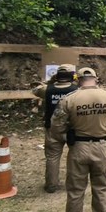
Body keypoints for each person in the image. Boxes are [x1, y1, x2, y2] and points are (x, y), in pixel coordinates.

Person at [50, 67, 106, 212]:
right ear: (95, 79)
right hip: (102, 148)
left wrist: (67, 137)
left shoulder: (69, 99)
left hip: (78, 148)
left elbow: (56, 126)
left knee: (75, 192)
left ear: (78, 80)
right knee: (102, 189)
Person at [32, 64, 79, 193]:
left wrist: (51, 81)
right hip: (72, 128)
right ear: (72, 76)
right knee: (75, 155)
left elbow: (34, 90)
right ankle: (74, 183)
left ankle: (51, 185)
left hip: (52, 128)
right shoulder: (77, 90)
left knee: (52, 157)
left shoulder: (47, 89)